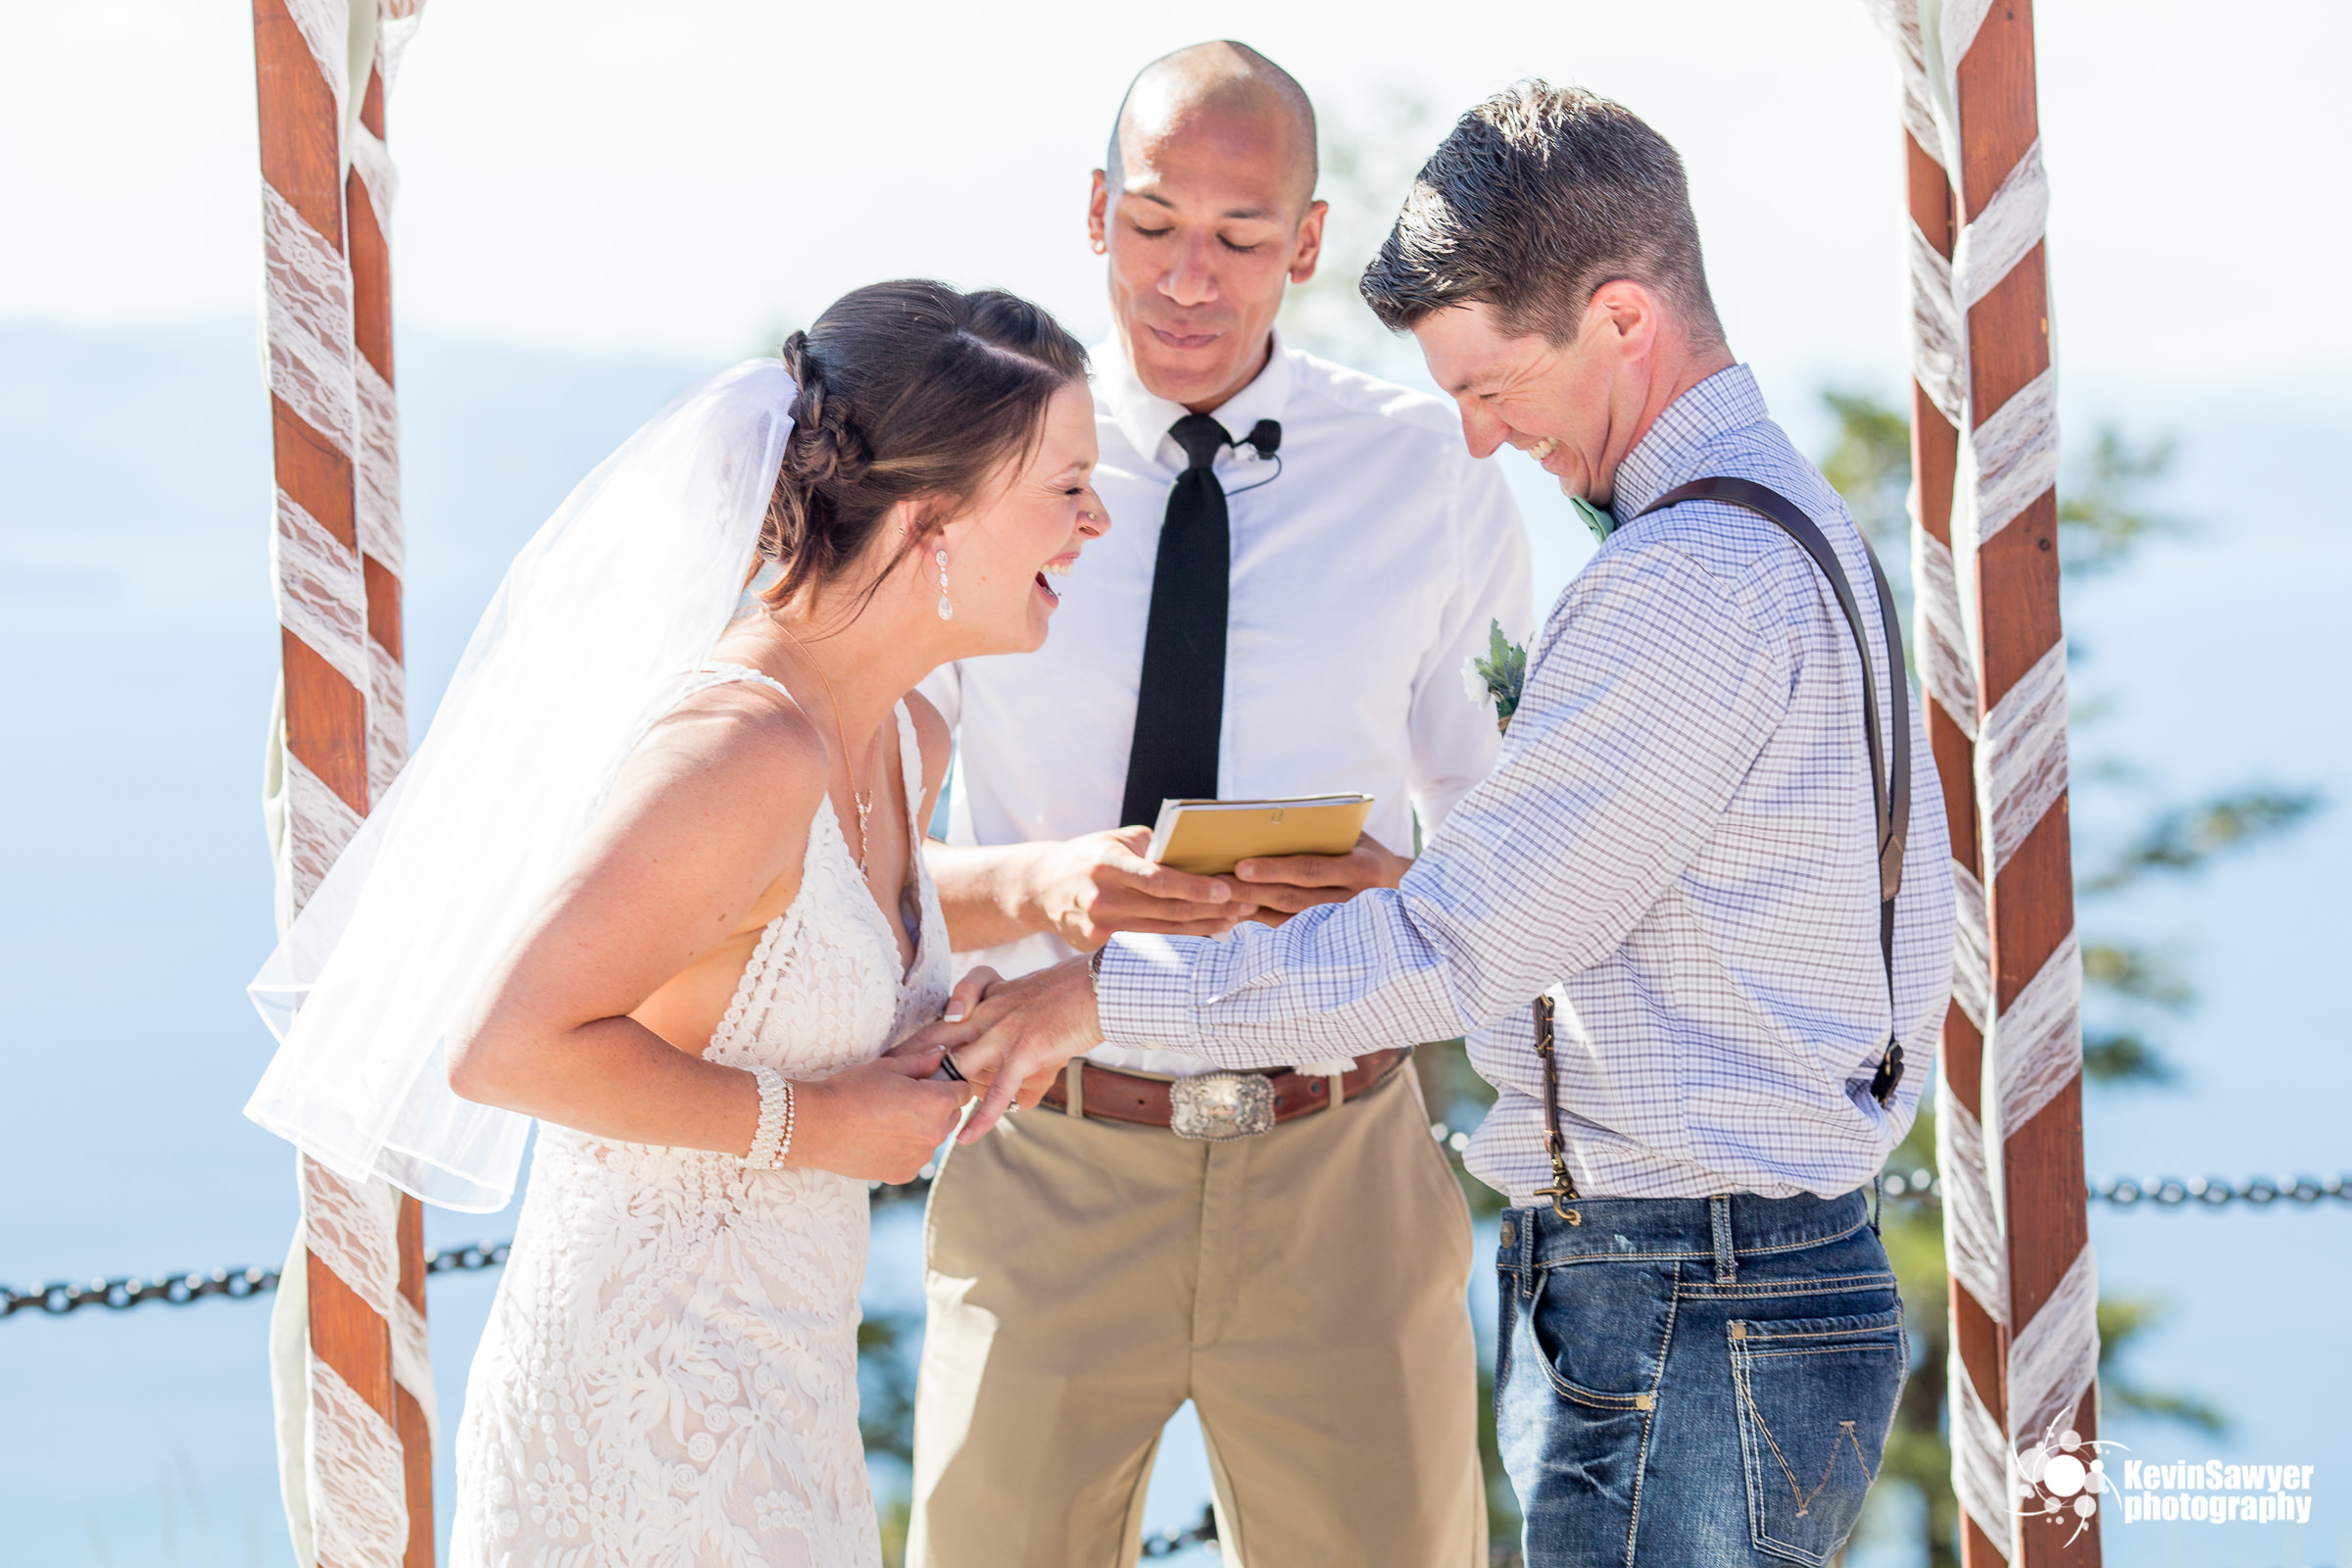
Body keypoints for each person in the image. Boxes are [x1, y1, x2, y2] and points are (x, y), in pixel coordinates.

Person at [913, 84, 1959, 1568]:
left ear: (1617, 321)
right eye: (1152, 224)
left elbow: (1464, 947)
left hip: (1675, 1285)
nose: (1476, 439)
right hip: (1724, 1276)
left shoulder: (1684, 579)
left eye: (1491, 384)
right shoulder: (1781, 530)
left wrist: (1105, 989)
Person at [244, 280, 1106, 1568]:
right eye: (1066, 487)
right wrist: (828, 1127)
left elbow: (794, 921)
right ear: (931, 523)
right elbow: (507, 1045)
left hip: (779, 1399)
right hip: (640, 1410)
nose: (1095, 520)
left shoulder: (904, 732)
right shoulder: (734, 754)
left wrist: (1014, 933)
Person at [906, 40, 1530, 1568]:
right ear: (1095, 217)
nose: (1190, 276)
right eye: (1154, 223)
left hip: (1347, 1169)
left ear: (1307, 244)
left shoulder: (1429, 478)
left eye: (1242, 239)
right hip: (1043, 1156)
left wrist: (1406, 883)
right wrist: (1049, 880)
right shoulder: (981, 476)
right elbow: (862, 865)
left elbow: (1516, 845)